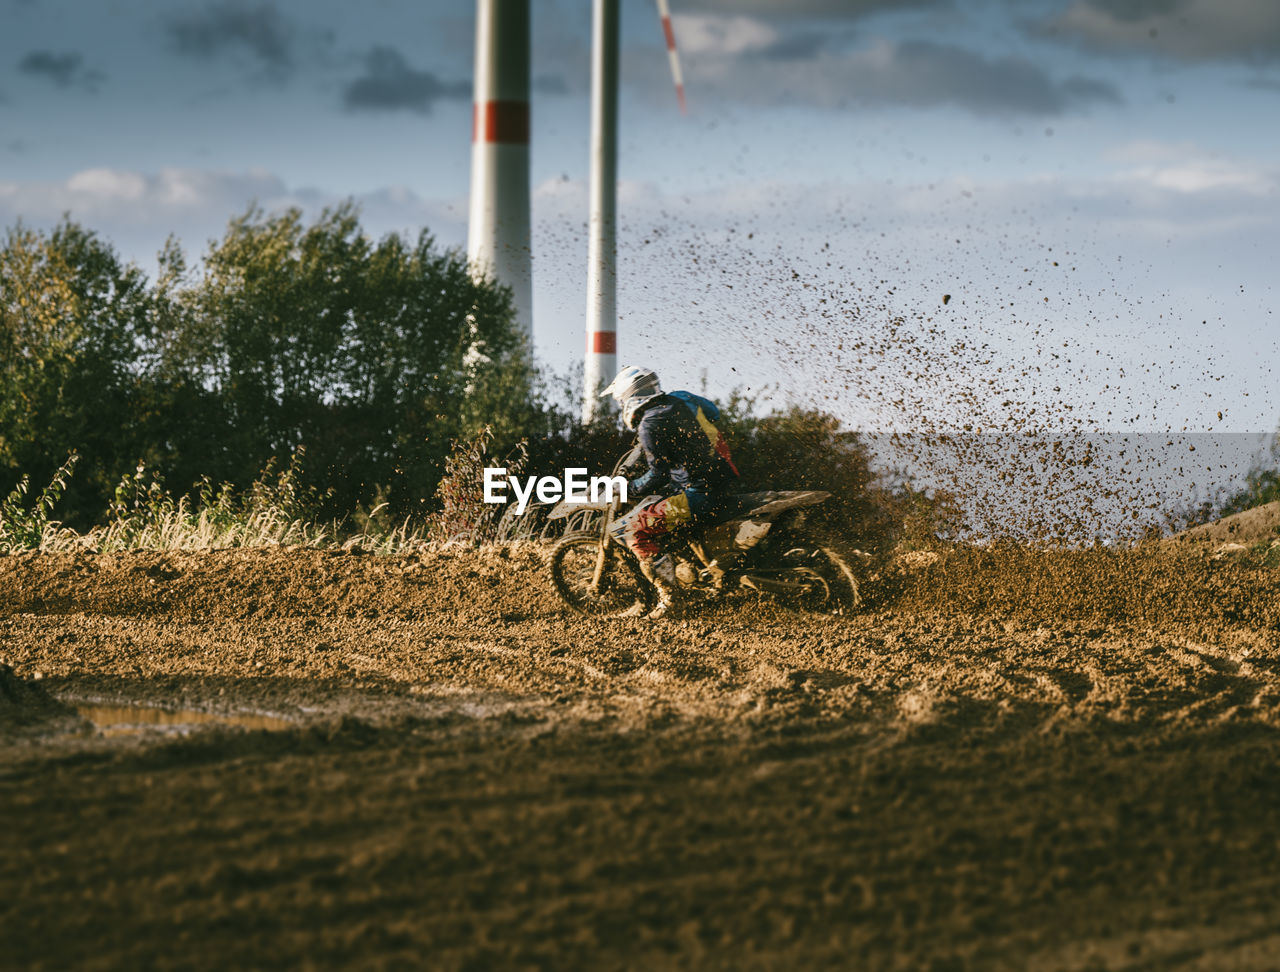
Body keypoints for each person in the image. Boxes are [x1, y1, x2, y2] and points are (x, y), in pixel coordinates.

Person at [599, 365, 739, 618]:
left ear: (631, 397)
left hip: (698, 494)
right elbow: (713, 412)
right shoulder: (681, 398)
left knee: (634, 529)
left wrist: (629, 488)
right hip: (722, 478)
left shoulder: (649, 424)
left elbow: (658, 473)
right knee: (663, 509)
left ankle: (673, 600)